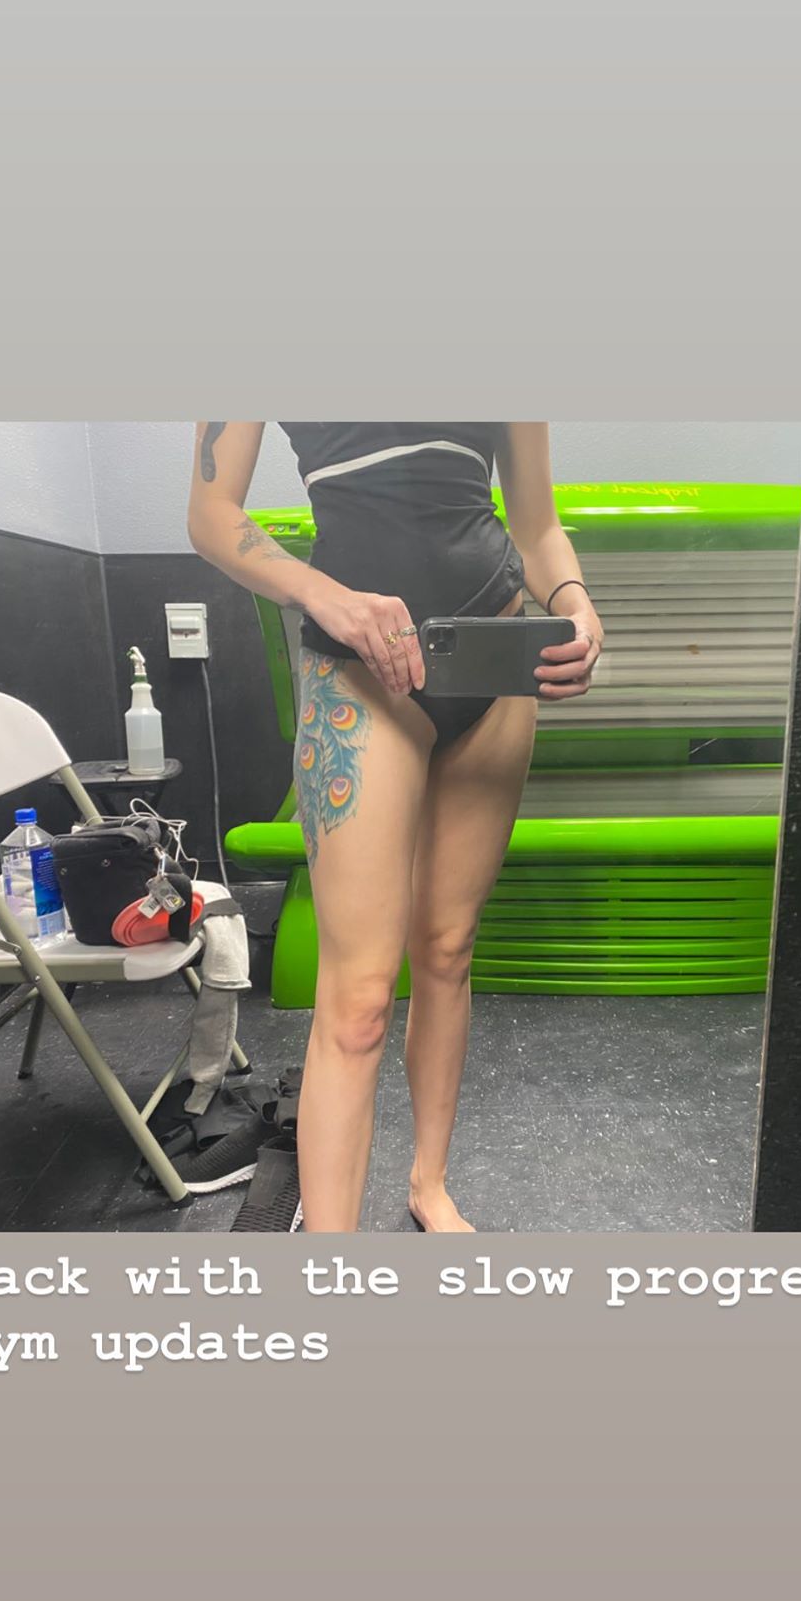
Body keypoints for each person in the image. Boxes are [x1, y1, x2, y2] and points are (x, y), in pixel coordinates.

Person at [187, 423, 603, 1232]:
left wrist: (575, 604)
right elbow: (210, 515)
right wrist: (323, 595)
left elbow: (537, 526)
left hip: (494, 656)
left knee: (447, 948)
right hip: (357, 666)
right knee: (358, 999)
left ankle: (429, 1185)